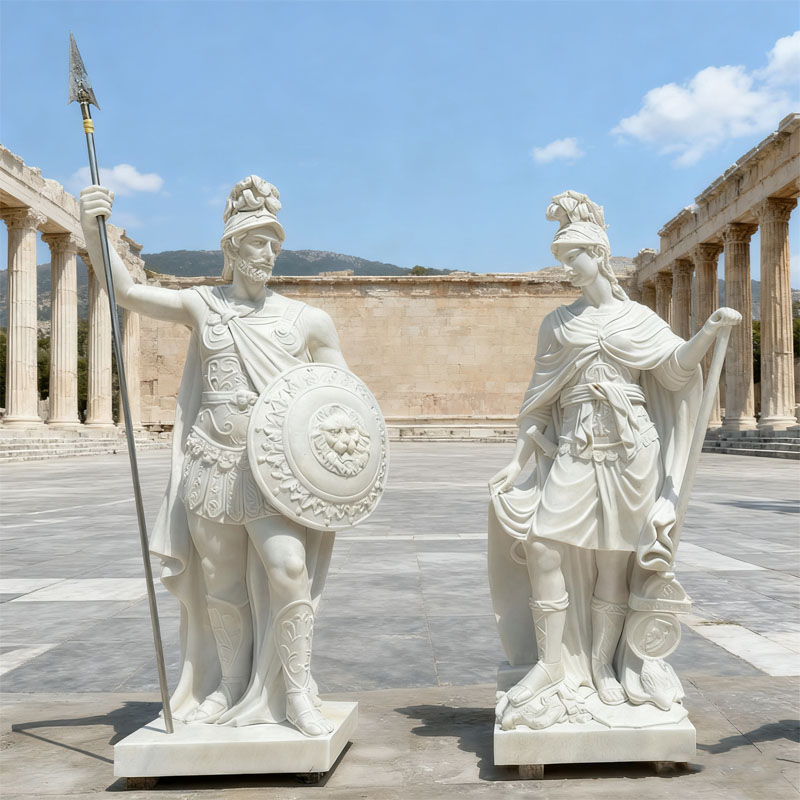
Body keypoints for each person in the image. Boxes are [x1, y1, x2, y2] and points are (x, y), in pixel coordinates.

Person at [80, 176, 347, 736]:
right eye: (257, 242)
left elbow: (342, 401)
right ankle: (227, 685)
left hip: (276, 470)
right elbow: (126, 292)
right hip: (213, 464)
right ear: (231, 248)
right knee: (219, 580)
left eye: (274, 242)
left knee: (288, 568)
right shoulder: (202, 306)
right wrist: (92, 226)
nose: (269, 252)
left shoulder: (307, 321)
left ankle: (295, 690)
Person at [488, 191, 739, 731]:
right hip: (576, 449)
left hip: (632, 452)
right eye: (561, 260)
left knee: (612, 563)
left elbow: (674, 368)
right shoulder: (557, 323)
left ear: (598, 256)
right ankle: (552, 666)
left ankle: (602, 666)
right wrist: (518, 462)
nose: (566, 270)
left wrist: (708, 333)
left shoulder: (639, 318)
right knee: (543, 546)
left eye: (572, 258)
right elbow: (538, 402)